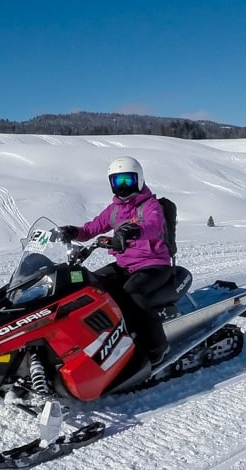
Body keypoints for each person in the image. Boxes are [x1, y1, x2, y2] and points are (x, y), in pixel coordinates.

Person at [59, 156, 172, 366]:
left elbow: (154, 226)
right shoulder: (115, 210)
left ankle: (157, 346)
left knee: (133, 292)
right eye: (117, 182)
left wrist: (134, 230)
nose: (122, 187)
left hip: (153, 265)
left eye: (127, 181)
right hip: (125, 265)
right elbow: (91, 228)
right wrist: (73, 231)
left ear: (138, 180)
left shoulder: (150, 205)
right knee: (90, 285)